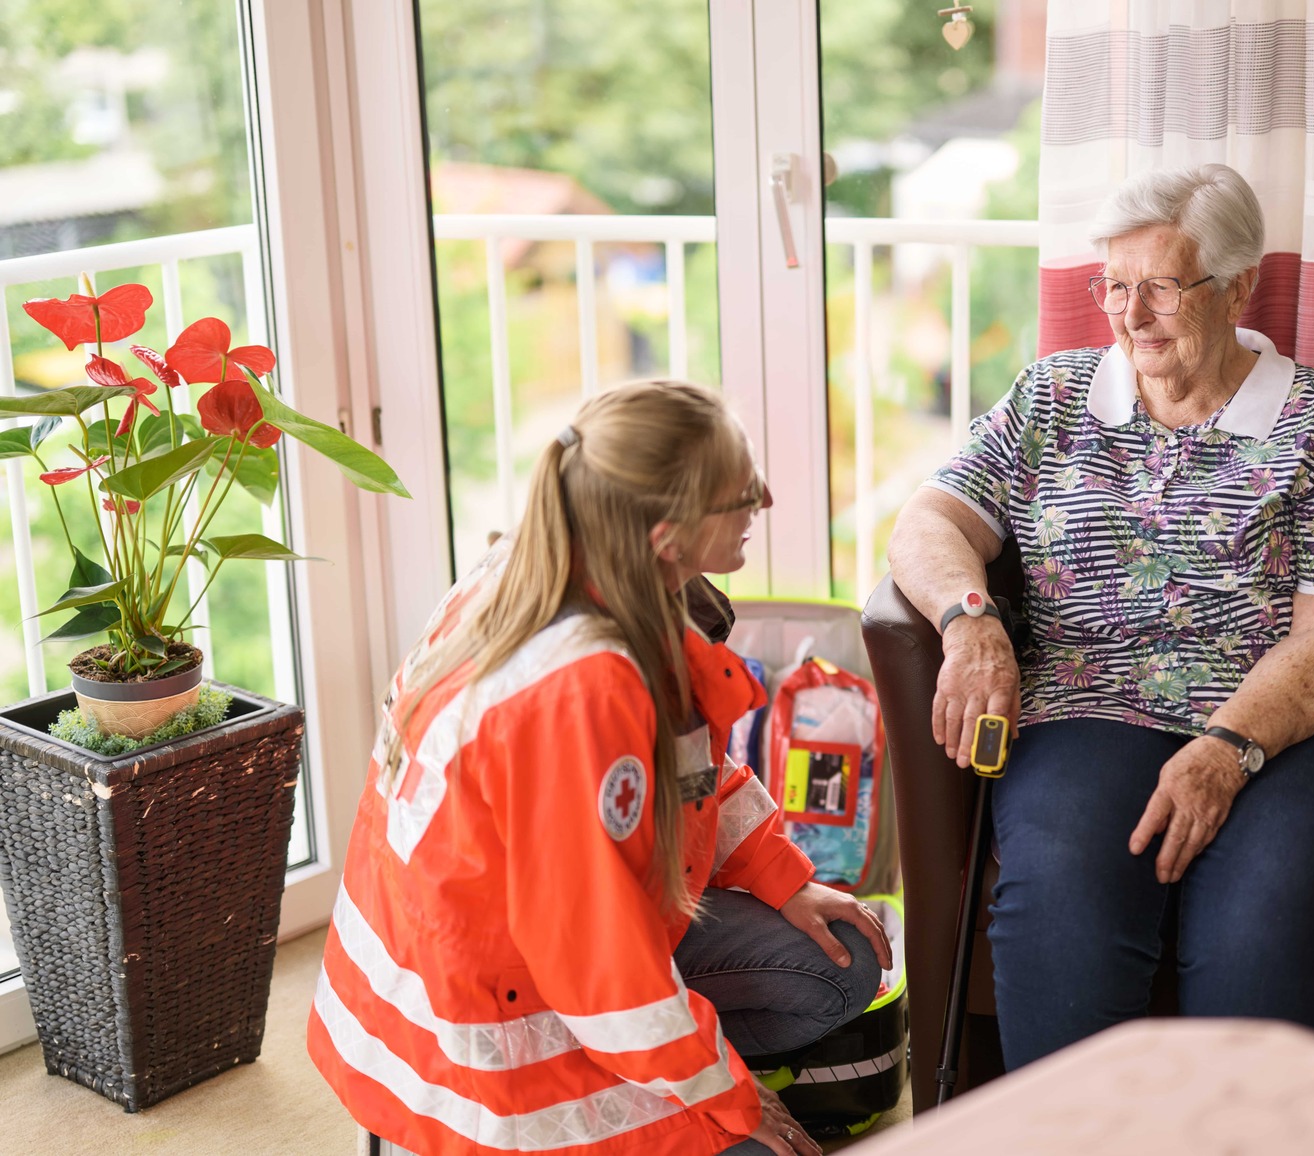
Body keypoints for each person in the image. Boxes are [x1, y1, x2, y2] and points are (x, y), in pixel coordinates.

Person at [887, 164, 1314, 1069]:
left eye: (1160, 285)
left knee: (1263, 943)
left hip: (1284, 729)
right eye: (1114, 285)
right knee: (1064, 913)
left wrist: (1226, 750)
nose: (1129, 313)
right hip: (1088, 702)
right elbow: (930, 520)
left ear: (1240, 285)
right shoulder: (1053, 397)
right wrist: (971, 620)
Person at [309, 381, 891, 1156]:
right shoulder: (586, 690)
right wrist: (730, 1100)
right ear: (666, 533)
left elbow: (691, 777)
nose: (766, 500)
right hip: (495, 1049)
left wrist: (785, 876)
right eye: (742, 493)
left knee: (843, 964)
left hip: (520, 966)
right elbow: (601, 969)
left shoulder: (567, 573)